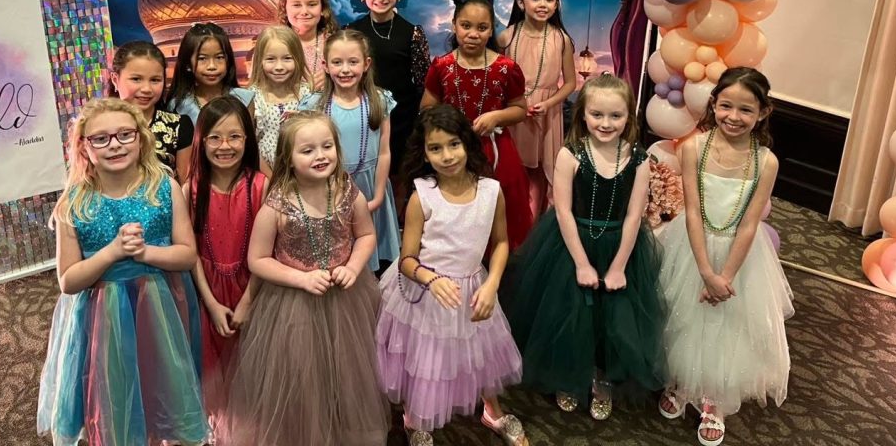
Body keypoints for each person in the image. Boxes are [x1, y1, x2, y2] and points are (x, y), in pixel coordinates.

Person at [37, 98, 207, 446]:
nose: (114, 144)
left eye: (124, 134)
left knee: (163, 380)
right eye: (100, 138)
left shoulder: (164, 188)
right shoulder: (74, 203)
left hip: (159, 308)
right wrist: (112, 252)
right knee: (116, 387)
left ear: (140, 138)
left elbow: (187, 255)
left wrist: (145, 253)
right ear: (84, 147)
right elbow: (68, 281)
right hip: (105, 316)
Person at [502, 73, 665, 421]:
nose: (606, 123)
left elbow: (634, 216)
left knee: (612, 318)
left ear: (629, 117)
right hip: (570, 245)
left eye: (616, 116)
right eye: (597, 114)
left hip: (620, 246)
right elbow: (562, 210)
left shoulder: (638, 159)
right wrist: (581, 263)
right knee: (569, 314)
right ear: (583, 114)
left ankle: (601, 376)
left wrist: (618, 266)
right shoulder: (570, 154)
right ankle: (569, 375)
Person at [223, 111, 389, 445]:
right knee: (303, 376)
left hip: (345, 303)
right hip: (293, 306)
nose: (320, 155)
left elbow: (366, 235)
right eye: (307, 150)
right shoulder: (277, 204)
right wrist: (301, 279)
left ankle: (342, 431)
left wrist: (353, 267)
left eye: (327, 146)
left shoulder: (347, 191)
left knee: (345, 374)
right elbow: (258, 260)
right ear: (288, 158)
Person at [656, 67, 792, 446]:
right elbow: (692, 212)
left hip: (739, 256)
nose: (734, 116)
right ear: (714, 104)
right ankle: (680, 381)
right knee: (683, 314)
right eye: (726, 106)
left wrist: (724, 277)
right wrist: (706, 272)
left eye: (746, 109)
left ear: (763, 112)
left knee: (727, 324)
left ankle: (714, 397)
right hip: (693, 246)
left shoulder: (766, 161)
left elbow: (749, 224)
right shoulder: (693, 148)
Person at [376, 105, 527, 446]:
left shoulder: (491, 191)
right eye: (435, 148)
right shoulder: (422, 196)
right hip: (426, 291)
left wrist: (492, 284)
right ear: (425, 154)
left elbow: (502, 242)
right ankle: (416, 419)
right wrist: (431, 279)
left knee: (480, 351)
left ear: (467, 143)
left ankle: (493, 411)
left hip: (474, 286)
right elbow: (407, 259)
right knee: (426, 359)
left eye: (453, 144)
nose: (446, 156)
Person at [421, 0, 533, 249]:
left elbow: (520, 109)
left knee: (498, 216)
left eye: (482, 28)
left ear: (491, 29)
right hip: (452, 152)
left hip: (495, 152)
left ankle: (496, 265)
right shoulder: (441, 66)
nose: (473, 34)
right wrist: (447, 123)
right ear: (454, 26)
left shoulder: (506, 68)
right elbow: (426, 108)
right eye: (466, 26)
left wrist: (497, 117)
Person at [183, 96, 267, 437]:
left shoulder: (260, 186)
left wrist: (247, 301)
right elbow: (190, 253)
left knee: (252, 366)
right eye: (215, 138)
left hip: (253, 290)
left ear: (247, 139)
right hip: (209, 294)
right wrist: (211, 303)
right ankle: (220, 430)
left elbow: (267, 253)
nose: (225, 146)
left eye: (234, 137)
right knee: (213, 370)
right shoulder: (191, 190)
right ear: (201, 142)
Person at [302, 29, 401, 271]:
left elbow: (384, 152)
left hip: (370, 187)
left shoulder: (379, 101)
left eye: (353, 62)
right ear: (325, 66)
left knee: (370, 255)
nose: (345, 70)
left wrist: (378, 195)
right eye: (337, 62)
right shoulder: (315, 105)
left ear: (366, 64)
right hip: (329, 189)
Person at [348, 0, 431, 187]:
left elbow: (423, 83)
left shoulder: (413, 33)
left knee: (399, 183)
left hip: (403, 123)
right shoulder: (351, 32)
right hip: (363, 120)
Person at [499, 0, 577, 219]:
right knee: (512, 168)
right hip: (514, 112)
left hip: (547, 112)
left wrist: (549, 103)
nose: (543, 4)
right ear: (521, 3)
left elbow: (571, 83)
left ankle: (533, 227)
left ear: (556, 5)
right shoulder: (506, 37)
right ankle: (511, 223)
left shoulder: (561, 39)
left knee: (541, 171)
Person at [106, 40, 192, 183]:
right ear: (115, 79)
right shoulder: (97, 127)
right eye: (136, 79)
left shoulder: (178, 126)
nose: (146, 89)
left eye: (155, 80)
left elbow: (185, 184)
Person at [234, 25, 312, 176]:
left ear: (297, 59)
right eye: (270, 59)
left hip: (304, 172)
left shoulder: (307, 94)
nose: (279, 67)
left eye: (287, 58)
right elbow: (250, 144)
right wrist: (270, 179)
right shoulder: (253, 97)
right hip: (265, 173)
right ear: (259, 61)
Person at [166, 22, 239, 122]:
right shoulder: (178, 106)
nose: (212, 66)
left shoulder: (244, 99)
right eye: (202, 58)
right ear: (188, 64)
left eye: (219, 57)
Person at [279, 0, 340, 90]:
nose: (304, 12)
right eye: (296, 5)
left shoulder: (336, 44)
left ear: (322, 9)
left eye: (312, 4)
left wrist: (334, 77)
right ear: (285, 9)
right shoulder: (273, 44)